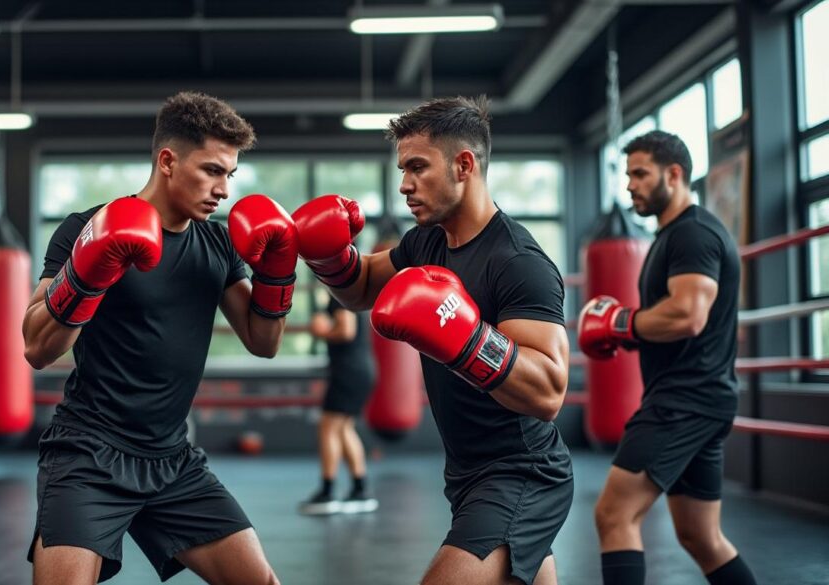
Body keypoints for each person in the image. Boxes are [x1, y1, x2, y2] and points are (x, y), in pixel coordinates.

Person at [291, 95, 573, 585]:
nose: (404, 184)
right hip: (465, 472)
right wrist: (328, 256)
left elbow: (549, 392)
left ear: (464, 165)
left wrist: (465, 338)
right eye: (403, 169)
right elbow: (358, 289)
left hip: (521, 473)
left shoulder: (518, 262)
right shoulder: (428, 243)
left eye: (418, 168)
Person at [23, 92, 292, 585]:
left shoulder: (218, 244)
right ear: (167, 160)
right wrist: (89, 273)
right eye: (212, 170)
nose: (224, 190)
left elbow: (263, 341)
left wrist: (278, 273)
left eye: (230, 174)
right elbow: (36, 347)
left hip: (173, 460)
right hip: (90, 454)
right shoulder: (87, 228)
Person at [580, 130, 757, 585]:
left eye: (640, 174)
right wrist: (632, 332)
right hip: (700, 398)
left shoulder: (693, 235)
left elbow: (688, 316)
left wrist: (621, 323)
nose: (630, 185)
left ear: (674, 175)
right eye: (628, 175)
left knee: (614, 514)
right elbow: (672, 321)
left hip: (684, 400)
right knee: (701, 536)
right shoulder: (671, 235)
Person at [298, 294, 378, 515]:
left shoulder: (340, 297)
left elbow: (346, 330)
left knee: (328, 426)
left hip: (349, 372)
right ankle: (360, 489)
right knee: (343, 428)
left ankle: (327, 492)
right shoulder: (353, 297)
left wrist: (320, 332)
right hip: (361, 369)